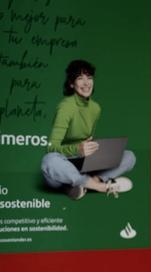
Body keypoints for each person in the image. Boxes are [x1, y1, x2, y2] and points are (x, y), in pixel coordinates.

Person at [41, 59, 136, 200]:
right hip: (65, 162)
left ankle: (86, 183)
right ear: (72, 84)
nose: (86, 83)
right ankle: (100, 186)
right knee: (48, 161)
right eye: (80, 78)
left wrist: (94, 147)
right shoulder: (65, 107)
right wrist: (77, 149)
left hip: (84, 162)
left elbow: (87, 138)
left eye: (89, 78)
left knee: (129, 156)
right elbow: (52, 147)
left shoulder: (95, 108)